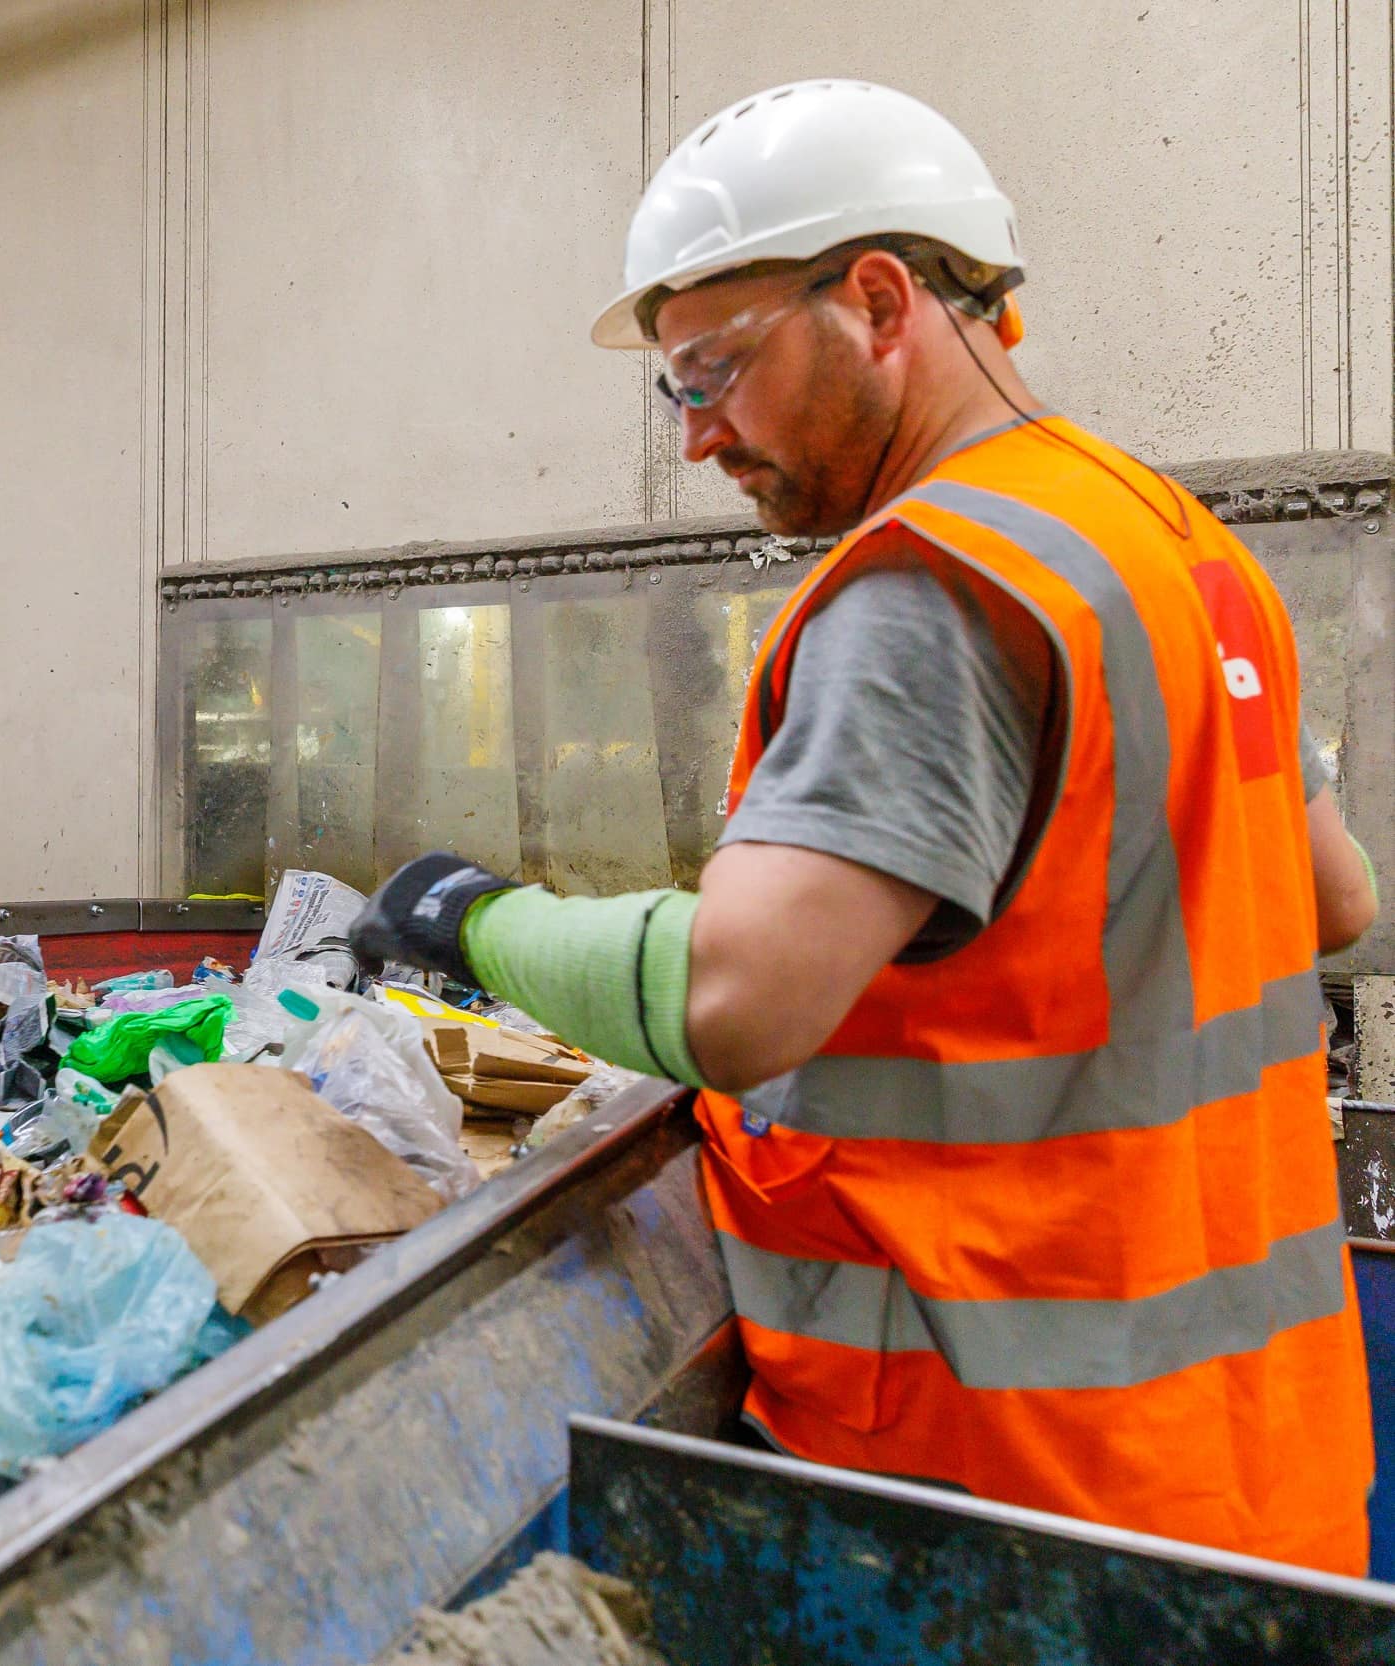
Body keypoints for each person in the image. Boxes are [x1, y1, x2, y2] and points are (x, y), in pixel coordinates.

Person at [353, 80, 1376, 1573]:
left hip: (1003, 1498)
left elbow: (737, 996)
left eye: (715, 370)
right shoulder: (1170, 543)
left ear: (881, 301)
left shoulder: (932, 592)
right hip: (1250, 1473)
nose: (699, 436)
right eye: (674, 388)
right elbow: (1328, 895)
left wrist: (467, 915)